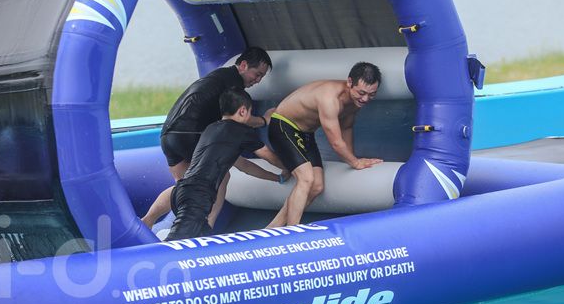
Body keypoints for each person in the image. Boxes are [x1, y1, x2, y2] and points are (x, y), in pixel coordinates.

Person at [141, 47, 272, 229]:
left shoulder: (219, 76)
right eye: (257, 74)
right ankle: (207, 226)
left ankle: (148, 220)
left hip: (168, 135)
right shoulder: (234, 86)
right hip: (190, 135)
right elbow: (241, 119)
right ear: (243, 65)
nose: (257, 80)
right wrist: (264, 120)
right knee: (222, 177)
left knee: (184, 187)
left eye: (261, 77)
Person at [265, 62, 383, 228]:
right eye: (361, 93)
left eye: (372, 94)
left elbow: (347, 127)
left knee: (317, 186)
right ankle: (293, 232)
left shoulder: (355, 102)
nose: (365, 99)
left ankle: (273, 227)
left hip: (306, 134)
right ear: (350, 82)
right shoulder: (329, 98)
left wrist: (351, 158)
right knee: (306, 179)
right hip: (283, 126)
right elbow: (336, 143)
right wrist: (355, 163)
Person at [166, 89, 286, 240]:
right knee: (175, 243)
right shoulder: (241, 131)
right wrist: (289, 167)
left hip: (181, 191)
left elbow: (245, 166)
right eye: (250, 113)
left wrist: (277, 177)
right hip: (197, 196)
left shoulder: (211, 129)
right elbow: (267, 154)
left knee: (203, 239)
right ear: (243, 111)